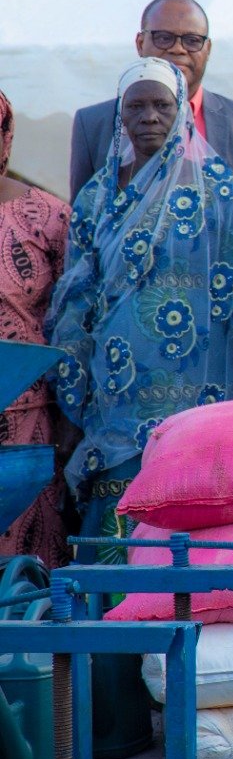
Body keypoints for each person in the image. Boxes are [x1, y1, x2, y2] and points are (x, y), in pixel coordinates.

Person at [48, 60, 233, 550]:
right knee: (117, 506)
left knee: (188, 502)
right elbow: (73, 299)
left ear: (181, 112)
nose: (149, 116)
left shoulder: (217, 189)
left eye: (161, 105)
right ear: (120, 117)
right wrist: (71, 392)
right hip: (117, 386)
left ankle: (184, 611)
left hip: (199, 387)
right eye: (137, 106)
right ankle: (112, 613)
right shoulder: (96, 198)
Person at [68, 0, 233, 200]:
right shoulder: (93, 124)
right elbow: (80, 218)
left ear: (208, 48)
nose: (178, 49)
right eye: (164, 38)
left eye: (192, 40)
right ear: (140, 43)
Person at [0, 90, 71, 568]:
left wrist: (71, 422)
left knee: (28, 565)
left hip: (28, 418)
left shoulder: (47, 216)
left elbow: (75, 320)